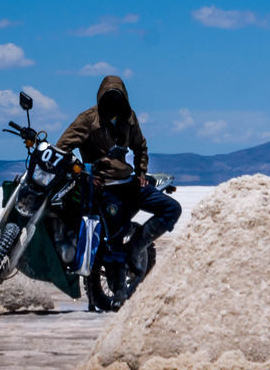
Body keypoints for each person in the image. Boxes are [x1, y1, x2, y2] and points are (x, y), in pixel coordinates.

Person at [56, 74, 181, 270]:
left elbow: (140, 146)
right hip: (103, 186)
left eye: (118, 96)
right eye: (109, 96)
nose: (114, 101)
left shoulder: (129, 117)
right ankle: (117, 289)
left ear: (124, 97)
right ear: (101, 96)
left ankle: (135, 247)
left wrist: (141, 173)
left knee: (172, 209)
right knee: (113, 242)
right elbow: (62, 148)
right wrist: (83, 175)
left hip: (127, 182)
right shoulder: (88, 119)